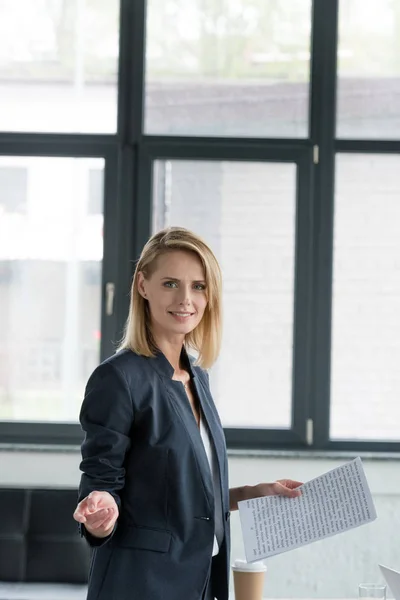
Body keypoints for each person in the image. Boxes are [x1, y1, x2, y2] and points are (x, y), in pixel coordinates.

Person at [73, 227, 302, 600]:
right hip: (141, 584)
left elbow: (183, 496)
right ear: (142, 286)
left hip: (201, 581)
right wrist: (102, 512)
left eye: (198, 286)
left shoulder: (197, 378)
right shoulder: (118, 378)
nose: (185, 299)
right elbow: (101, 486)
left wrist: (253, 493)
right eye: (170, 284)